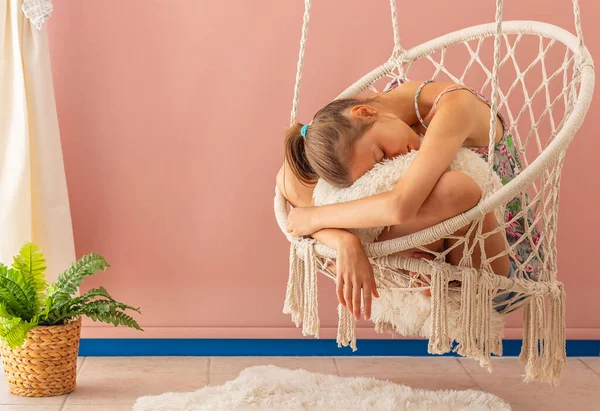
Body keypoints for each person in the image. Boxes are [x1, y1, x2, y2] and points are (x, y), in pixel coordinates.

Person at [276, 78, 534, 322]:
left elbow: (400, 206)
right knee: (306, 189)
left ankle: (427, 261)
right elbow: (292, 198)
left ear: (365, 112)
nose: (393, 164)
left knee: (455, 188)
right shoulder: (380, 116)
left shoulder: (456, 107)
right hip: (424, 259)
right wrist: (344, 241)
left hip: (501, 270)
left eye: (382, 155)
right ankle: (425, 261)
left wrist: (316, 218)